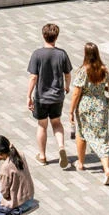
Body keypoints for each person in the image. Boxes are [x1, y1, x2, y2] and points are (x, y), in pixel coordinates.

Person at [67, 43, 109, 185]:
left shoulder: (83, 71)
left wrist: (71, 111)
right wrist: (102, 87)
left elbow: (76, 93)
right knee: (102, 137)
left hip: (85, 107)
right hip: (101, 107)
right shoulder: (105, 69)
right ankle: (107, 170)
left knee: (82, 133)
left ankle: (80, 163)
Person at [27, 24, 73, 166]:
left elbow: (33, 77)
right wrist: (67, 86)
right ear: (56, 37)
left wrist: (28, 96)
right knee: (56, 123)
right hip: (57, 96)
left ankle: (42, 156)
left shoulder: (37, 54)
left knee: (42, 125)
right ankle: (61, 147)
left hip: (41, 97)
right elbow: (67, 74)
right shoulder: (62, 54)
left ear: (43, 36)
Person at [0, 136, 39, 215]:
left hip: (19, 204)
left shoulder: (6, 168)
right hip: (29, 198)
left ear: (0, 153)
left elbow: (5, 193)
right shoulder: (20, 154)